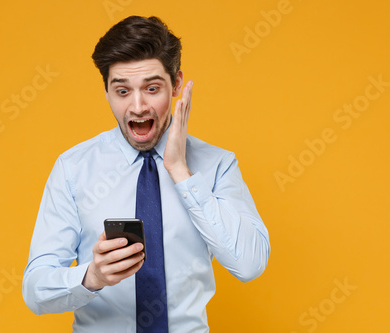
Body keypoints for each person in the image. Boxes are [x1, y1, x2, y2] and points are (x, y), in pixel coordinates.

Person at [23, 15, 270, 332]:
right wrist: (92, 276)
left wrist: (181, 172)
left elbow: (250, 264)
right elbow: (35, 290)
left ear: (177, 84)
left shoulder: (217, 165)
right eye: (122, 91)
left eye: (152, 88)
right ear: (106, 92)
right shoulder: (73, 168)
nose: (138, 107)